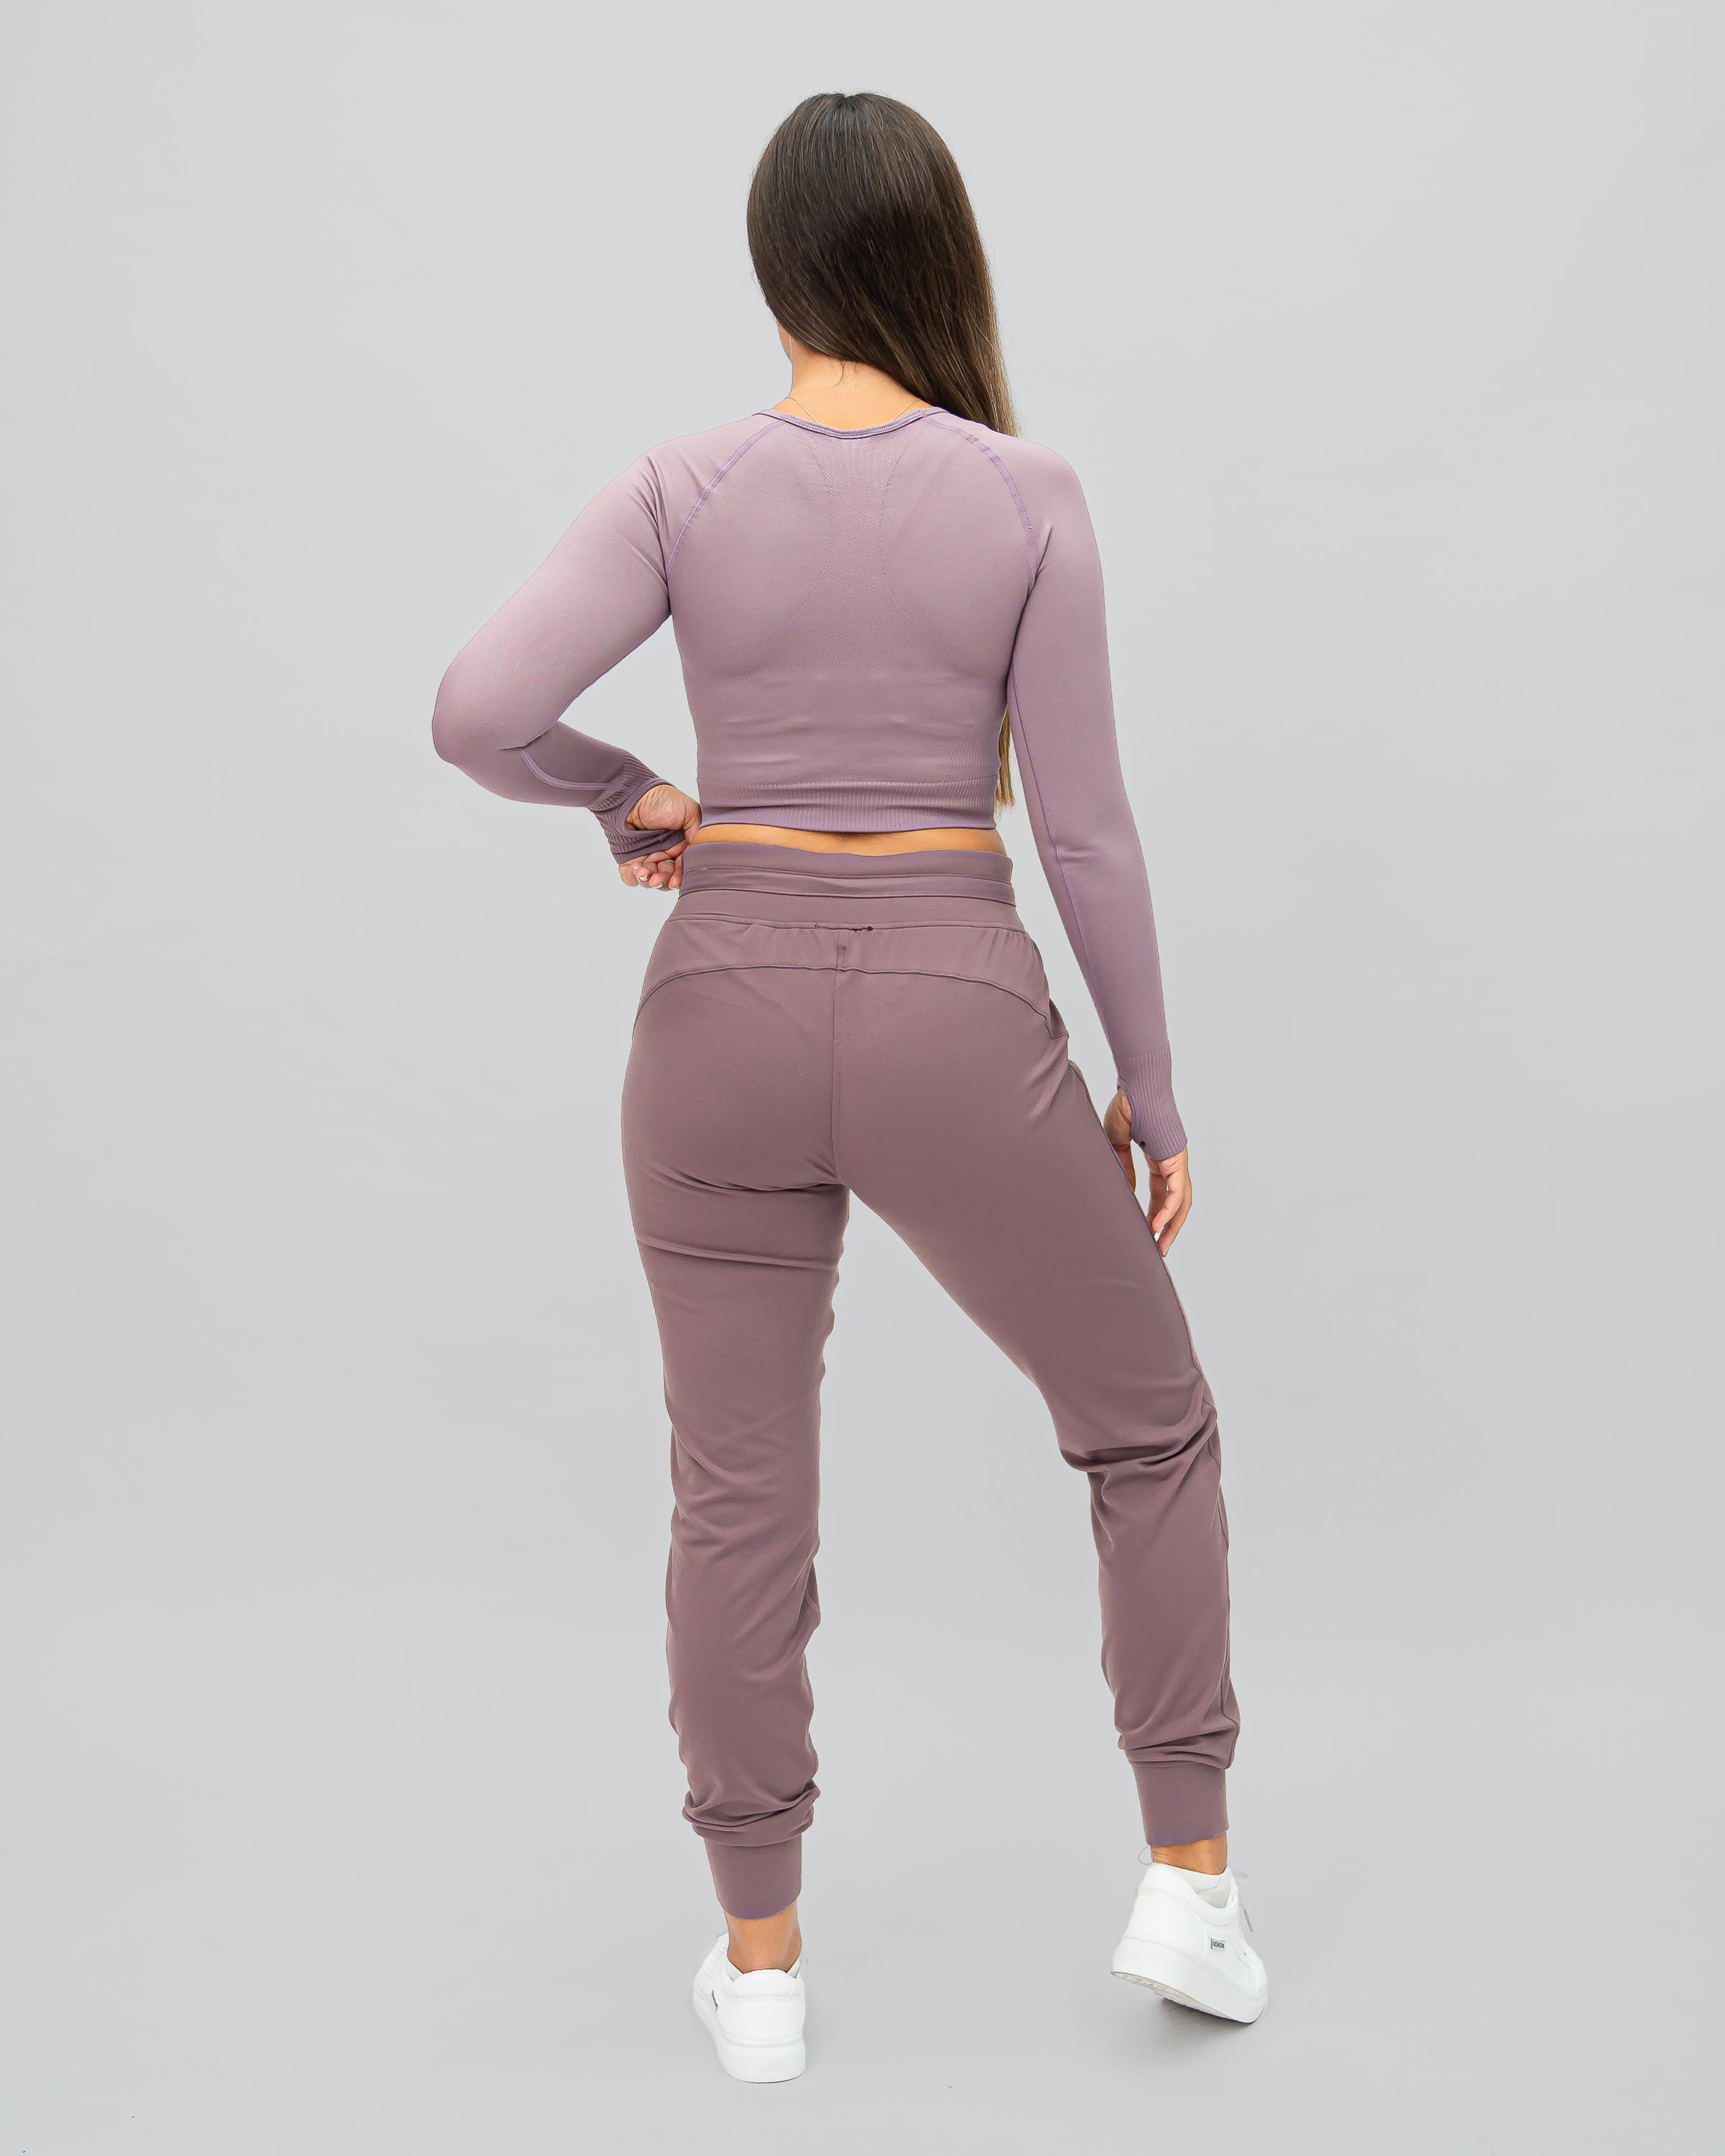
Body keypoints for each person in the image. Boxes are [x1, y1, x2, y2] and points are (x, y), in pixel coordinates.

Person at [431, 89, 1266, 2078]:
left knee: (737, 1497)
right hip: (953, 1016)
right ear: (938, 255)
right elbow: (1087, 836)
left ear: (774, 268)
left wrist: (621, 792)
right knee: (1147, 1432)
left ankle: (762, 1969)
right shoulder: (1027, 493)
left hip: (717, 1012)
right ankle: (1190, 1884)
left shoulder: (682, 485)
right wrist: (1151, 1089)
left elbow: (477, 712)